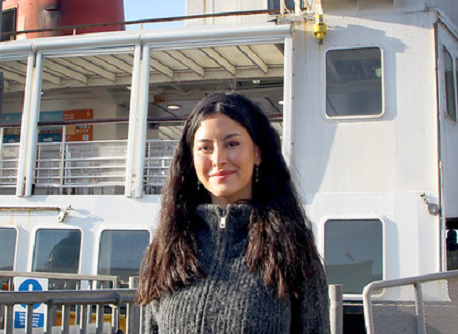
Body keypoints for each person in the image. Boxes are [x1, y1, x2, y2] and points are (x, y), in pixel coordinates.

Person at [137, 92, 329, 333]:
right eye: (205, 148)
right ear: (191, 159)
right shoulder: (168, 248)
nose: (218, 159)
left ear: (258, 153)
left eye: (232, 144)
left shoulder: (292, 247)